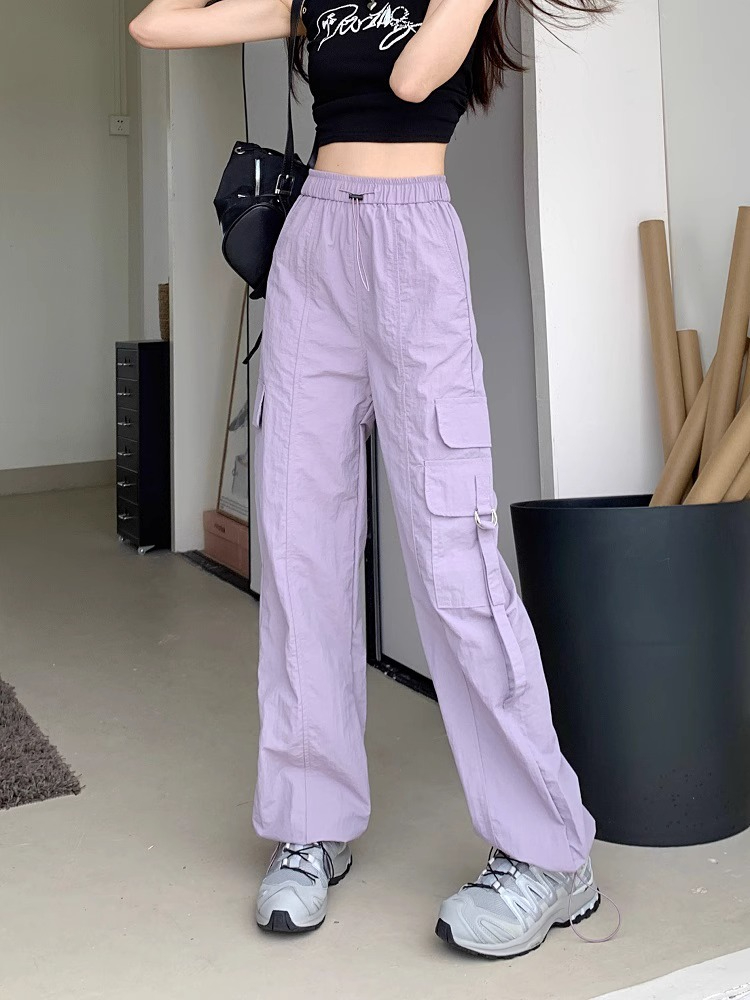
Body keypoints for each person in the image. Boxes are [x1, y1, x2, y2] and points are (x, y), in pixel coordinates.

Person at [130, 0, 613, 959]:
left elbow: (413, 77)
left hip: (412, 246)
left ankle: (549, 853)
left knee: (452, 555)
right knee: (298, 546)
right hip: (313, 248)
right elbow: (154, 25)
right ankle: (312, 826)